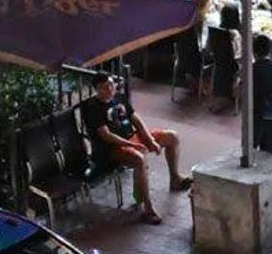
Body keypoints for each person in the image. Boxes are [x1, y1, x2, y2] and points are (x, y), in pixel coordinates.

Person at [80, 73, 193, 225]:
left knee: (172, 137)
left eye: (112, 85)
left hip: (132, 137)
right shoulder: (92, 108)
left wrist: (149, 140)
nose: (110, 90)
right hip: (112, 148)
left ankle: (175, 178)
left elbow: (136, 120)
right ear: (97, 89)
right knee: (139, 159)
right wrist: (133, 145)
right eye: (105, 87)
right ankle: (148, 208)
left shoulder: (119, 97)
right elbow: (106, 135)